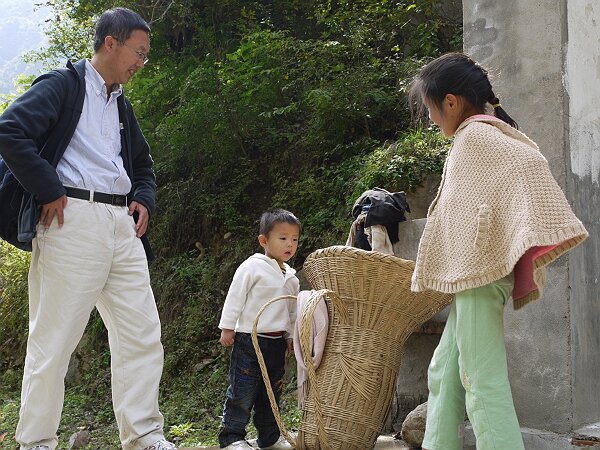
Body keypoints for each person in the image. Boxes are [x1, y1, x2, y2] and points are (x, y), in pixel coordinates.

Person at [0, 8, 176, 450]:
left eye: (146, 56)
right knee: (54, 338)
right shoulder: (63, 85)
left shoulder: (122, 106)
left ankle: (144, 436)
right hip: (70, 219)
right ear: (110, 43)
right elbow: (9, 131)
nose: (141, 62)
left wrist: (144, 199)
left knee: (141, 333)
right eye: (139, 52)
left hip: (122, 227)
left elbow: (143, 166)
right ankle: (37, 440)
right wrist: (46, 188)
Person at [408, 52, 588, 450]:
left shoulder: (474, 137)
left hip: (481, 273)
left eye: (431, 109)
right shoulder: (488, 134)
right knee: (444, 370)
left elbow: (520, 170)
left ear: (451, 102)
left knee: (480, 379)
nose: (432, 118)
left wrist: (489, 241)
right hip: (480, 274)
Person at [217, 209, 301, 450]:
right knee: (242, 391)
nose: (290, 244)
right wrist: (228, 328)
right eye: (283, 238)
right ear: (264, 241)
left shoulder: (291, 278)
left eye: (294, 239)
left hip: (275, 344)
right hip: (249, 340)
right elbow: (235, 297)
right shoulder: (251, 267)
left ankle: (270, 438)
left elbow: (291, 312)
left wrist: (290, 337)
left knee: (271, 392)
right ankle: (232, 437)